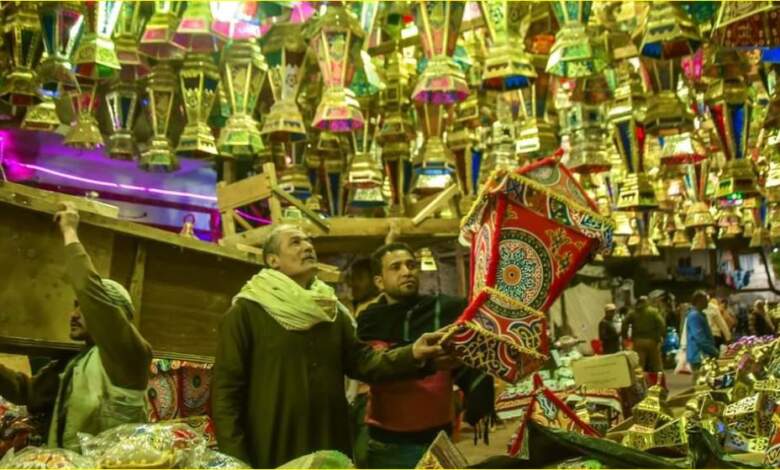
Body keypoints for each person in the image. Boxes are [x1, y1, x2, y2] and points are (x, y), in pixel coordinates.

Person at [212, 225, 450, 468]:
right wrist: (235, 461)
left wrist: (412, 354)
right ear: (273, 260)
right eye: (295, 242)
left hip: (330, 445)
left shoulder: (331, 312)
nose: (307, 247)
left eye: (308, 241)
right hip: (274, 448)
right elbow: (226, 395)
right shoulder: (246, 313)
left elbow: (364, 362)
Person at [0, 202, 152, 450]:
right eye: (74, 306)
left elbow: (90, 290)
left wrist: (70, 231)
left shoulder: (129, 356)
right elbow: (27, 392)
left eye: (83, 307)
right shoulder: (75, 364)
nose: (73, 314)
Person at [355, 242, 494, 468]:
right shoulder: (370, 321)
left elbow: (470, 360)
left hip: (439, 437)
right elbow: (375, 368)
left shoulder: (445, 311)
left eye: (411, 265)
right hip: (389, 443)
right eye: (396, 267)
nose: (406, 271)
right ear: (379, 281)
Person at [622, 296, 665, 372]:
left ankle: (640, 382)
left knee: (640, 364)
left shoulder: (633, 312)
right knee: (656, 363)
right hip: (652, 341)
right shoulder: (653, 311)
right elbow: (661, 324)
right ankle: (659, 381)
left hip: (638, 341)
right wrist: (660, 336)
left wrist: (625, 336)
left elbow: (624, 323)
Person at [686, 291, 719, 382]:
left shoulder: (699, 314)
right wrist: (713, 351)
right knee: (700, 383)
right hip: (699, 355)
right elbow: (699, 338)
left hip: (701, 354)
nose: (707, 302)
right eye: (705, 300)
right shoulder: (694, 316)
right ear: (699, 300)